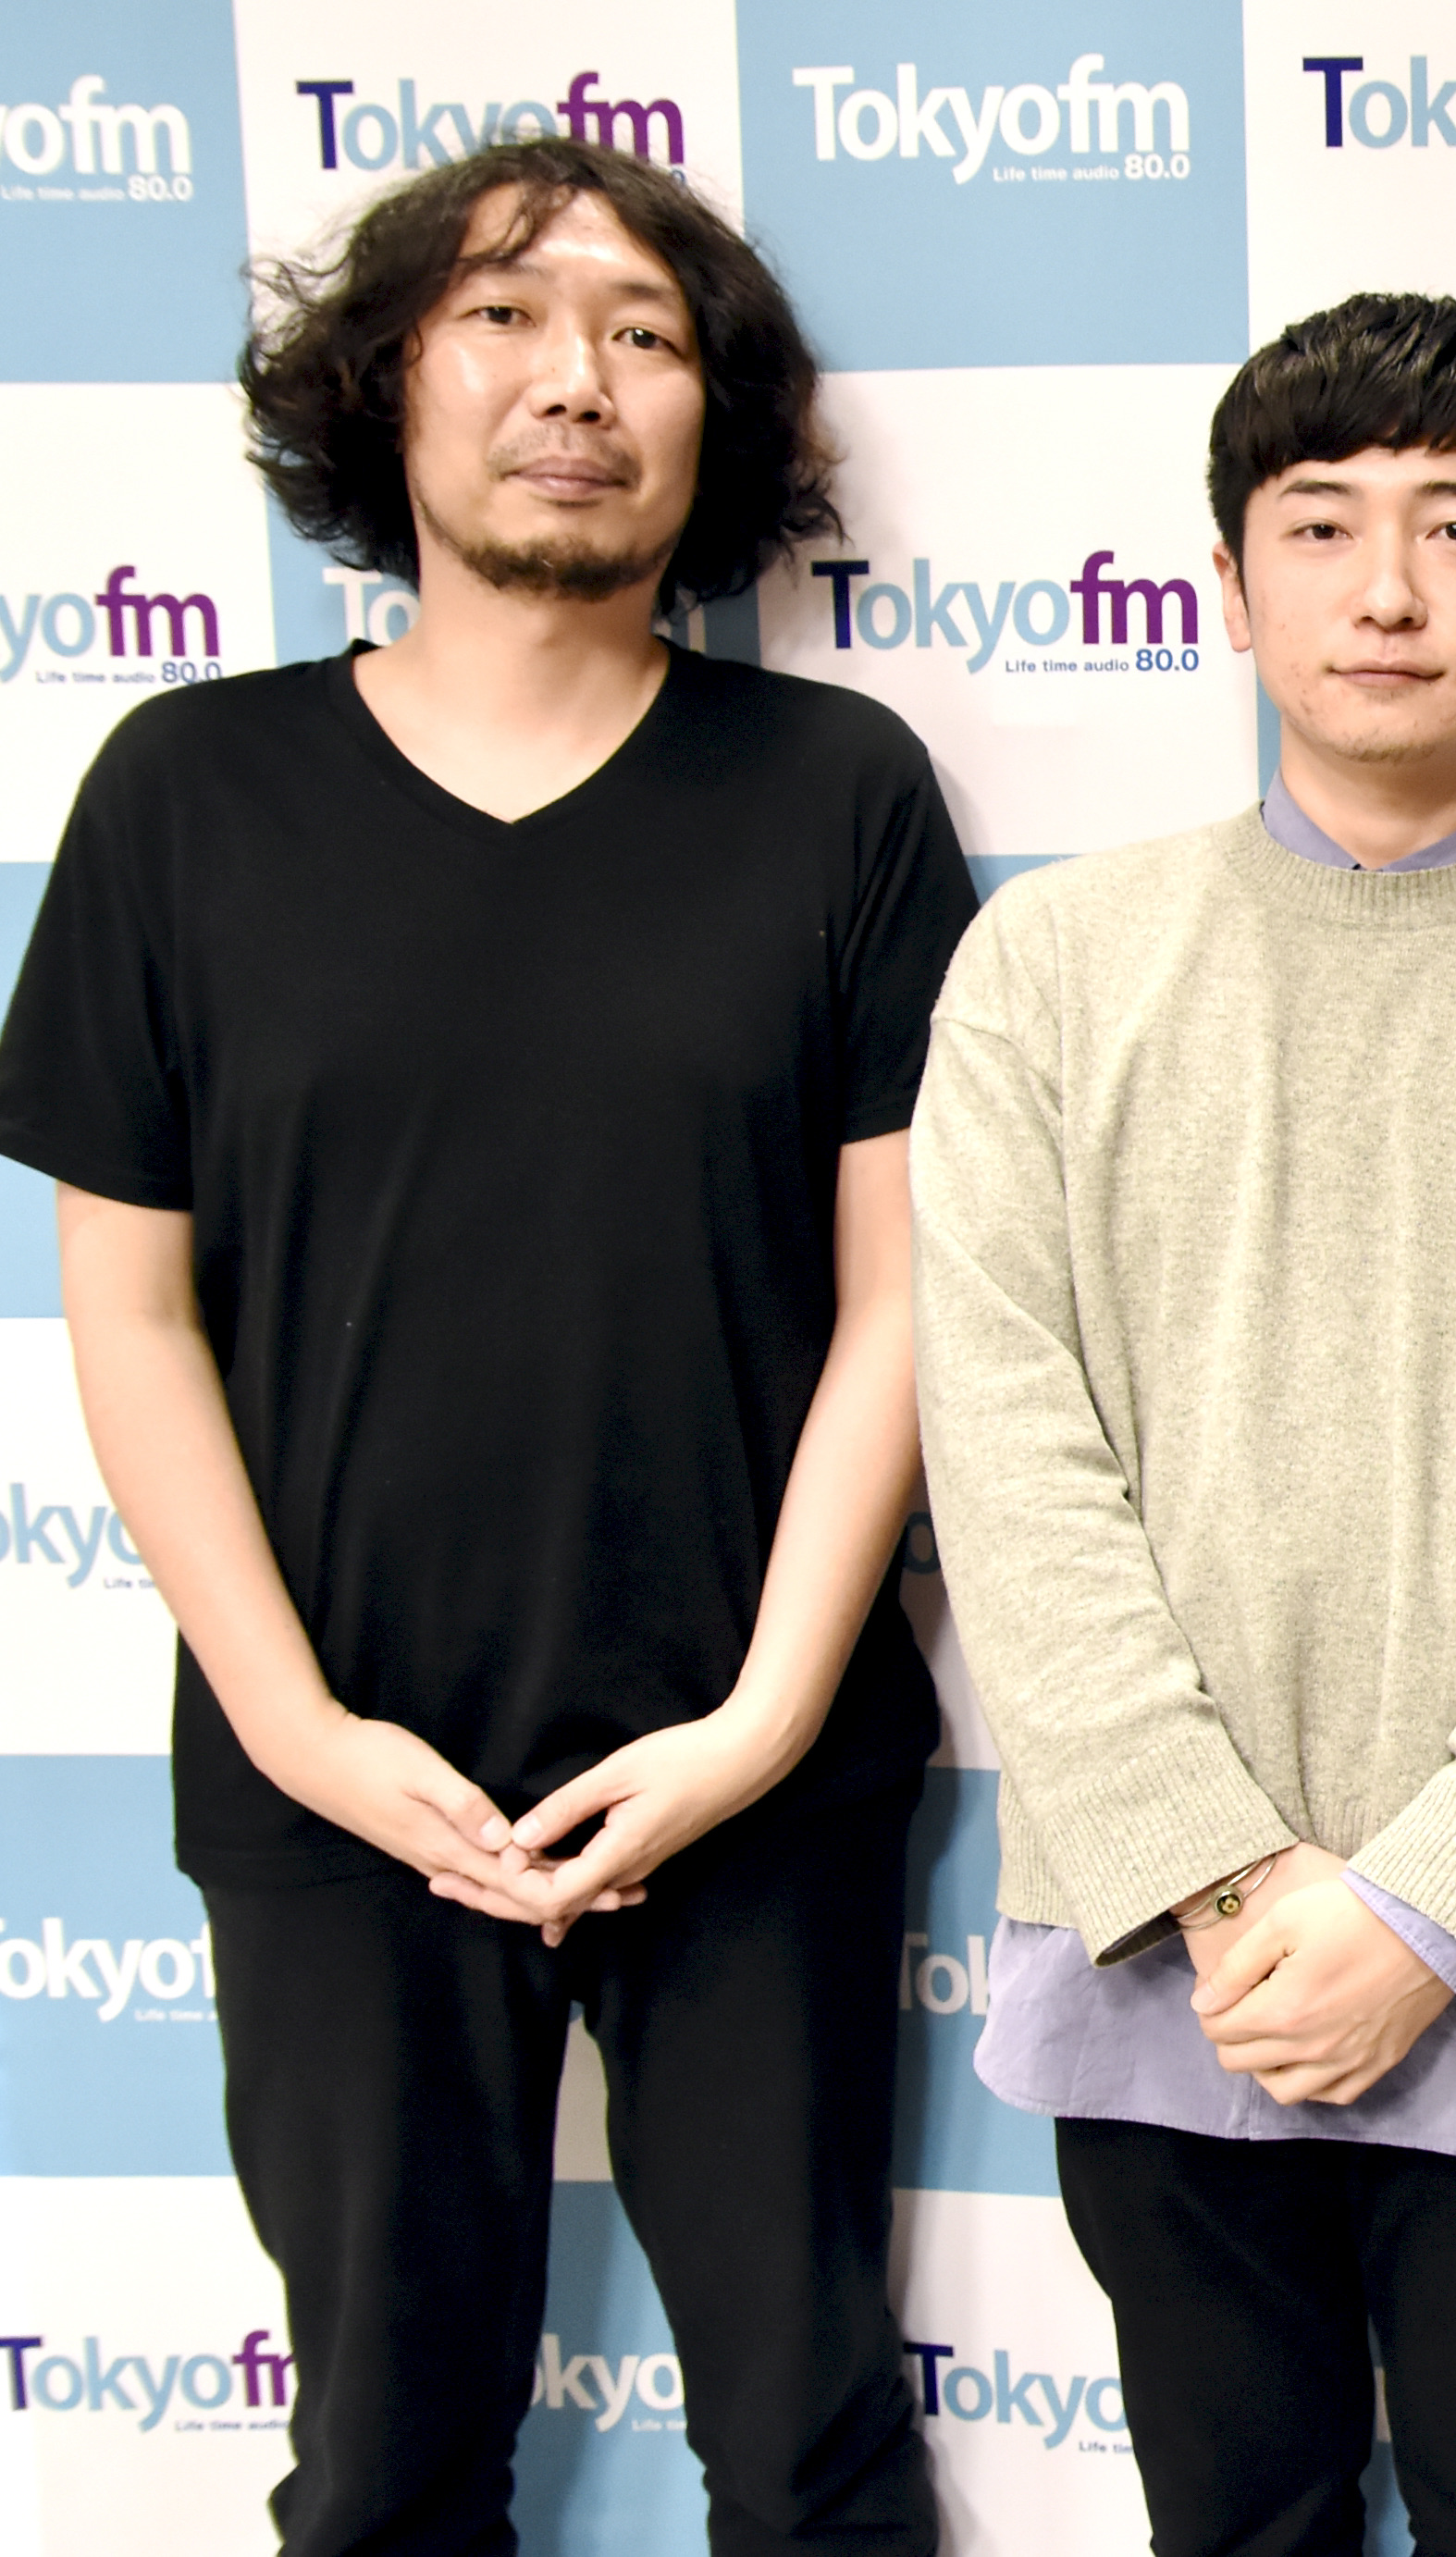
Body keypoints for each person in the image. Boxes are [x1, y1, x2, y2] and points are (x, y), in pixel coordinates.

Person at [0, 138, 969, 2553]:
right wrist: (299, 1727)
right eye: (508, 319)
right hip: (340, 1779)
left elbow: (907, 1298)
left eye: (645, 335)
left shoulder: (834, 792)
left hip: (754, 1773)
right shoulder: (187, 792)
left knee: (816, 2456)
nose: (578, 382)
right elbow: (128, 1312)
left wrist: (760, 1719)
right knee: (385, 2469)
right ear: (387, 385)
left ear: (716, 422)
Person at [908, 292, 1456, 2557]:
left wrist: (1430, 1902)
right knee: (1235, 2506)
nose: (1388, 588)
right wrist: (1228, 1871)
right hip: (1160, 1934)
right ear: (1231, 586)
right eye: (1321, 525)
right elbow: (1006, 1452)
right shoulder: (1049, 971)